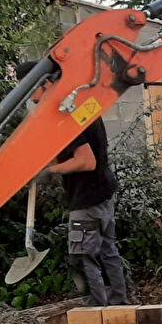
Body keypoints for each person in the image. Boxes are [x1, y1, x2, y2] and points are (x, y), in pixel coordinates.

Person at [45, 119, 129, 307]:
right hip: (102, 194)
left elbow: (86, 161)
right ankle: (118, 305)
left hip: (86, 200)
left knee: (82, 259)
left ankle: (95, 311)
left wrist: (51, 170)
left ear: (48, 87)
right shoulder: (89, 112)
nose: (35, 101)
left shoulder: (69, 120)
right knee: (107, 253)